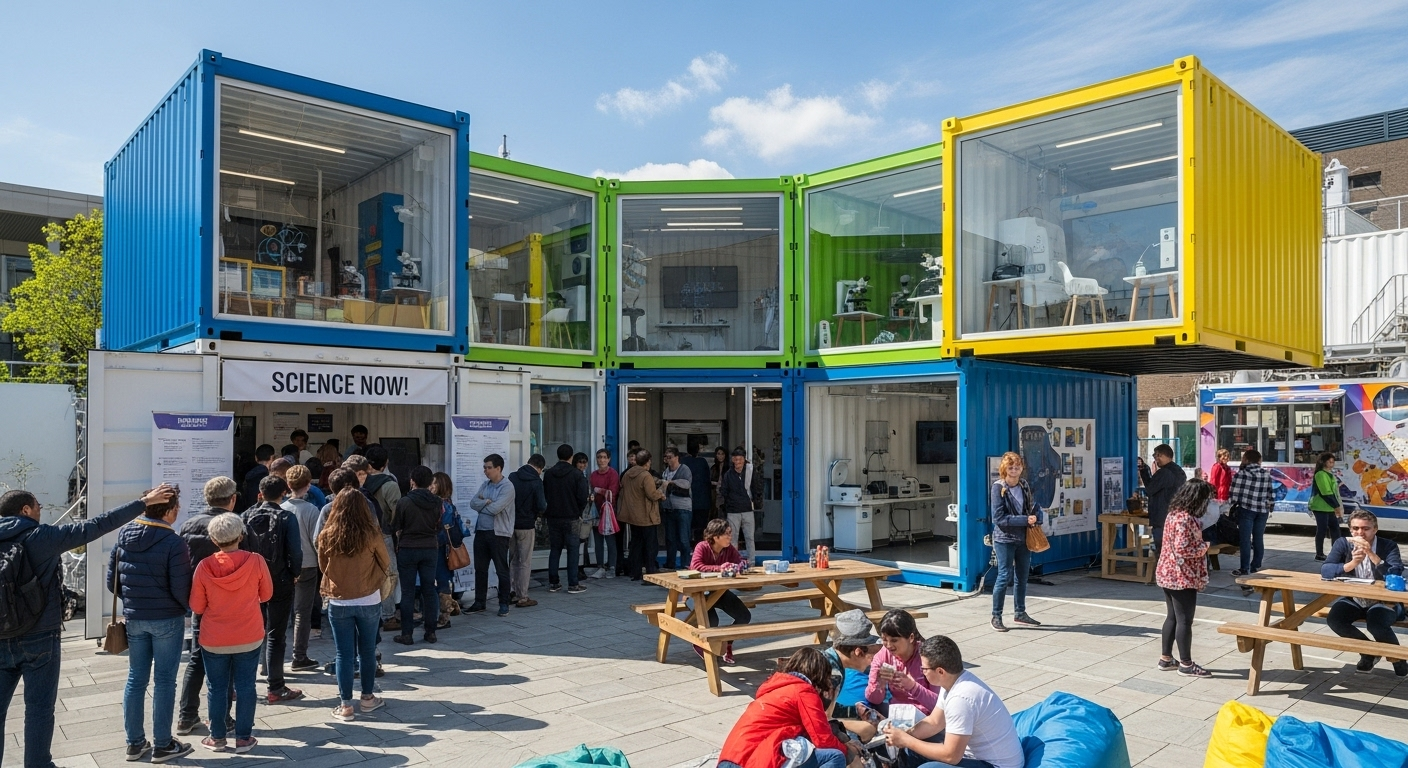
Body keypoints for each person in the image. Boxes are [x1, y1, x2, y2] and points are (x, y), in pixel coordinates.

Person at [0, 484, 176, 768]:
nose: (41, 512)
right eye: (38, 507)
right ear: (25, 510)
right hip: (39, 636)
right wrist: (143, 503)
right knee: (39, 710)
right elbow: (97, 525)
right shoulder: (41, 536)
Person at [109, 486, 195, 763]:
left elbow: (114, 580)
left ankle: (134, 743)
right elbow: (181, 586)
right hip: (166, 618)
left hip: (135, 617)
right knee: (165, 681)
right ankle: (163, 744)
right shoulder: (174, 542)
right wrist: (184, 609)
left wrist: (133, 601)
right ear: (170, 510)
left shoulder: (123, 535)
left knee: (136, 679)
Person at [190, 512, 271, 754]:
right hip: (249, 634)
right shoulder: (256, 561)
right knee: (246, 686)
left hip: (214, 638)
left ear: (214, 540)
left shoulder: (204, 567)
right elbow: (266, 595)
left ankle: (217, 737)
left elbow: (196, 607)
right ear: (241, 536)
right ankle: (244, 738)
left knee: (216, 687)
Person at [882, 635, 1025, 768]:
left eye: (924, 668)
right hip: (980, 757)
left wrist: (907, 740)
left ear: (940, 671)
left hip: (997, 765)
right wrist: (905, 735)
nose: (922, 672)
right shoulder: (954, 680)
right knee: (911, 751)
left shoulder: (961, 699)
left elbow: (951, 756)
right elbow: (934, 722)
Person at [319, 488, 391, 721]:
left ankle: (345, 704)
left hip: (339, 599)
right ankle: (368, 698)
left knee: (343, 653)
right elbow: (385, 561)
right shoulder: (372, 533)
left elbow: (323, 566)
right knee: (367, 650)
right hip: (369, 597)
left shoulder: (327, 534)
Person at [717, 647, 851, 768]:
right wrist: (847, 750)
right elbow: (823, 739)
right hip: (751, 761)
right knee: (835, 757)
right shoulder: (803, 691)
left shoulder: (773, 689)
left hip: (728, 759)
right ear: (820, 675)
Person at [177, 478, 238, 737]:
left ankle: (186, 716)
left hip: (200, 601)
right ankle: (222, 717)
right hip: (230, 601)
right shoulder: (235, 525)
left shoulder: (189, 525)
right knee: (227, 659)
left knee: (197, 658)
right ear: (232, 499)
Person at [241, 475, 304, 703]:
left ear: (260, 493)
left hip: (250, 581)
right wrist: (295, 573)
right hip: (280, 580)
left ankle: (244, 684)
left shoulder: (246, 515)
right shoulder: (286, 517)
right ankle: (275, 687)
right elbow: (295, 551)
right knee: (276, 635)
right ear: (283, 493)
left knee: (249, 634)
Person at [1321, 510, 1407, 676]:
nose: (1360, 532)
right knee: (1335, 620)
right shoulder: (1343, 543)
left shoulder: (1388, 545)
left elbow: (1395, 573)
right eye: (1355, 528)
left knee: (1376, 623)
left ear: (1375, 529)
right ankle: (1368, 653)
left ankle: (1398, 659)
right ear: (1351, 530)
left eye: (1365, 528)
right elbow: (1326, 569)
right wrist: (1352, 563)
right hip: (1355, 598)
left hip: (1384, 600)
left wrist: (1371, 555)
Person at [1154, 480, 1214, 678]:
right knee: (1184, 620)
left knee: (1172, 616)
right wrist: (1204, 547)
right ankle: (1186, 664)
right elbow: (1183, 548)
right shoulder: (1186, 519)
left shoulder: (1174, 514)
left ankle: (1166, 658)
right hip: (1181, 576)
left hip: (1167, 572)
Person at [989, 452, 1042, 633]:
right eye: (1010, 467)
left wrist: (1037, 517)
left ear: (1022, 468)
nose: (1014, 470)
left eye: (1017, 466)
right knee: (1004, 576)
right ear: (1004, 469)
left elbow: (1033, 506)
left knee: (1022, 577)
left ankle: (1020, 613)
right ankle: (996, 616)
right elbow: (999, 518)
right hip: (1004, 539)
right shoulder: (998, 488)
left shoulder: (1024, 485)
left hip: (1024, 537)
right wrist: (1025, 520)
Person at [393, 465, 444, 645]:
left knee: (407, 592)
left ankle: (407, 634)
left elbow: (396, 526)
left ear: (412, 481)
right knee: (429, 589)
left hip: (408, 548)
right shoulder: (437, 502)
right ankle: (431, 632)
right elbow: (439, 526)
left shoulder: (404, 502)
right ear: (430, 482)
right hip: (430, 548)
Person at [689, 519, 752, 664]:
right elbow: (696, 565)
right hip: (701, 593)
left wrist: (742, 565)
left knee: (744, 616)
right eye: (727, 534)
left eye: (730, 533)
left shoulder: (729, 549)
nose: (730, 537)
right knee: (712, 621)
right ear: (716, 536)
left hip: (720, 592)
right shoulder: (702, 547)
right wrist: (720, 568)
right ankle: (702, 644)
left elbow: (739, 561)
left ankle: (727, 643)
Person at [861, 609, 937, 717]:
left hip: (928, 718)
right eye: (884, 639)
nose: (888, 645)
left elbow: (939, 705)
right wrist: (879, 683)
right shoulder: (883, 655)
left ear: (911, 638)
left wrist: (912, 686)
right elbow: (874, 700)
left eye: (894, 640)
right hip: (897, 713)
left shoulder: (928, 657)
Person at [282, 465, 322, 671]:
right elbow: (317, 541)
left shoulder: (281, 508)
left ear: (288, 485)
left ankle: (272, 659)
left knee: (281, 611)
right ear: (308, 485)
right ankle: (299, 655)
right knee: (302, 612)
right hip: (307, 564)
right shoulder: (312, 510)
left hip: (284, 566)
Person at [822, 610, 883, 742]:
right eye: (872, 655)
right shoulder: (833, 674)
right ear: (858, 652)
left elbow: (826, 708)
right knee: (866, 731)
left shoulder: (830, 659)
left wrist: (858, 712)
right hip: (795, 731)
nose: (872, 662)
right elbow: (823, 717)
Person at [468, 454, 516, 617]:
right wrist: (485, 502)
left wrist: (484, 505)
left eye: (489, 467)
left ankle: (504, 602)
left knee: (501, 569)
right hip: (481, 531)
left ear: (498, 468)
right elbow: (473, 503)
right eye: (484, 467)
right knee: (480, 569)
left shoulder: (507, 487)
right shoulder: (485, 485)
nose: (485, 471)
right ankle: (480, 601)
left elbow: (496, 509)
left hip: (499, 533)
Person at [362, 446, 402, 628]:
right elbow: (397, 514)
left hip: (364, 534)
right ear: (386, 463)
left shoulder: (360, 482)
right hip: (384, 534)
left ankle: (371, 612)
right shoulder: (390, 485)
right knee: (389, 574)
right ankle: (388, 615)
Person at [543, 444, 591, 594]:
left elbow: (545, 494)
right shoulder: (577, 475)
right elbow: (583, 496)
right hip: (571, 517)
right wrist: (578, 511)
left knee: (555, 549)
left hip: (553, 516)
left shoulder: (549, 474)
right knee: (573, 550)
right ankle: (573, 584)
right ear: (571, 457)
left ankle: (553, 582)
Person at [619, 450, 665, 582]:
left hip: (633, 516)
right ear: (648, 461)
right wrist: (661, 493)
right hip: (646, 516)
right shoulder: (645, 475)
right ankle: (650, 572)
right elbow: (652, 494)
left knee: (636, 545)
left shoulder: (627, 474)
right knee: (650, 546)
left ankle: (635, 572)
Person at [1229, 448, 1275, 581]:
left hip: (1246, 510)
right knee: (1258, 538)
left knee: (1245, 540)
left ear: (1246, 460)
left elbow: (1233, 495)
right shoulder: (1266, 474)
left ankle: (1244, 568)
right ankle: (1255, 565)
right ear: (1259, 460)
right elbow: (1270, 494)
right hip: (1262, 511)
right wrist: (1270, 507)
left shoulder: (1241, 474)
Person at [507, 454, 546, 607]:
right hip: (527, 525)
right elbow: (542, 505)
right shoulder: (537, 482)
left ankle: (510, 591)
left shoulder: (512, 477)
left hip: (510, 524)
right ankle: (522, 596)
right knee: (524, 561)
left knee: (512, 559)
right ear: (540, 468)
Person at [718, 448, 763, 561]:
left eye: (740, 459)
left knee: (750, 538)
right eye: (736, 459)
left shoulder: (750, 472)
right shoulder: (728, 474)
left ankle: (751, 562)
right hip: (733, 511)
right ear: (733, 459)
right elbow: (723, 491)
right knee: (733, 539)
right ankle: (734, 563)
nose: (738, 462)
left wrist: (756, 502)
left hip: (747, 509)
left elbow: (757, 488)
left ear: (744, 460)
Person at [1145, 444, 1187, 552]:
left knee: (1162, 550)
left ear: (1168, 456)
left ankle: (1164, 569)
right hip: (1175, 516)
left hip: (1161, 516)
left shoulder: (1164, 472)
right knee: (1174, 549)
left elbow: (1150, 489)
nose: (1156, 458)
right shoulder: (1179, 471)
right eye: (1155, 455)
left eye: (1159, 455)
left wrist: (1145, 471)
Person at [660, 447, 694, 570]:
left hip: (683, 509)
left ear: (676, 457)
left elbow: (687, 483)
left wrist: (671, 482)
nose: (667, 460)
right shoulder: (665, 472)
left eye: (669, 457)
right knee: (670, 538)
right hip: (669, 508)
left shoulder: (684, 469)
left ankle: (686, 564)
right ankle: (671, 563)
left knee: (684, 538)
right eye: (665, 458)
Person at [589, 449, 620, 580]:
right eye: (599, 457)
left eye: (604, 457)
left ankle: (612, 567)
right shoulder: (593, 475)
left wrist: (598, 490)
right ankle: (600, 566)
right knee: (598, 541)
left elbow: (612, 493)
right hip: (596, 510)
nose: (601, 460)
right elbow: (591, 491)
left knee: (610, 540)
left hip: (608, 512)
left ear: (609, 459)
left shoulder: (613, 474)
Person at [1310, 452, 1346, 561]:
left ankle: (1337, 552)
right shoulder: (1320, 474)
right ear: (1323, 462)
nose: (1332, 464)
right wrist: (1336, 506)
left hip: (1329, 507)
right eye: (1330, 462)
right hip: (1320, 506)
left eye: (1333, 462)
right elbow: (1326, 492)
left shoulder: (1329, 473)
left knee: (1335, 529)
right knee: (1322, 529)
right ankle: (1319, 553)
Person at [683, 444, 714, 542]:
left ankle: (687, 546)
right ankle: (698, 547)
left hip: (686, 500)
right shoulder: (702, 462)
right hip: (702, 500)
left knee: (686, 526)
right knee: (700, 528)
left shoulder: (683, 462)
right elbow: (707, 479)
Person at [573, 452, 595, 579]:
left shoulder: (585, 476)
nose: (582, 465)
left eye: (584, 462)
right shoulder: (576, 476)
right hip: (578, 513)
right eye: (580, 462)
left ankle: (581, 567)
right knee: (579, 542)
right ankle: (578, 568)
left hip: (586, 513)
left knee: (583, 541)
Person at [240, 444, 276, 513]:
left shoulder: (248, 475)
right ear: (272, 457)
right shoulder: (270, 477)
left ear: (256, 458)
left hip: (249, 512)